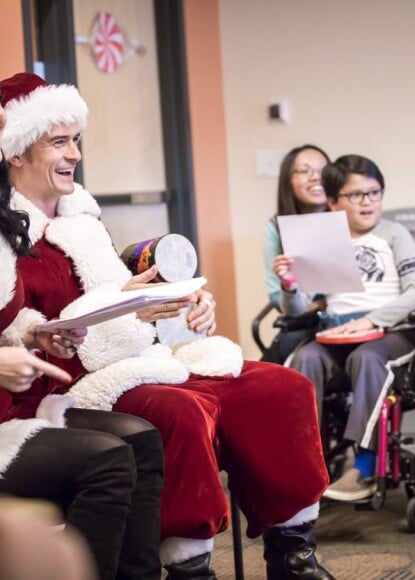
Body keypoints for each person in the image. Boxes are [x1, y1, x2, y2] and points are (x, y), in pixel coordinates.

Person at [0, 72, 333, 580]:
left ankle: (294, 553)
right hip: (72, 384)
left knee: (280, 386)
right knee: (179, 412)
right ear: (17, 152)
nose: (75, 155)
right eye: (59, 142)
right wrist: (122, 307)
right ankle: (189, 565)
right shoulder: (9, 235)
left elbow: (123, 279)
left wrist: (185, 302)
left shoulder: (83, 218)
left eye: (77, 141)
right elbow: (29, 330)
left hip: (138, 356)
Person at [0, 97, 165, 580]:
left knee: (143, 440)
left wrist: (37, 335)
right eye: (59, 141)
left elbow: (12, 316)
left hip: (20, 406)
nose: (74, 153)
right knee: (108, 460)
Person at [274, 154, 415, 502]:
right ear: (332, 201)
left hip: (389, 334)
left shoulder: (395, 234)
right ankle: (305, 466)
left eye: (374, 193)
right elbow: (298, 309)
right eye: (356, 195)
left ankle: (363, 468)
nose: (368, 202)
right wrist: (289, 285)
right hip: (334, 333)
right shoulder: (321, 240)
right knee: (304, 361)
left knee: (367, 358)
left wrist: (373, 319)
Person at [261, 145, 331, 364]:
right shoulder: (276, 227)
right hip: (303, 319)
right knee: (282, 351)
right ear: (288, 181)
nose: (316, 177)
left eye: (323, 170)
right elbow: (277, 298)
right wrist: (319, 305)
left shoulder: (348, 219)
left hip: (349, 315)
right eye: (304, 171)